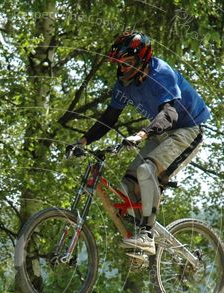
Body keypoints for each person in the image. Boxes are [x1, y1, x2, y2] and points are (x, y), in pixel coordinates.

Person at [67, 31, 211, 255]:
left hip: (187, 129)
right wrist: (82, 141)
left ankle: (147, 234)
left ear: (142, 59)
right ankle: (142, 245)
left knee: (146, 170)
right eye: (118, 63)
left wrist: (142, 134)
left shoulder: (160, 74)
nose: (122, 68)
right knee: (126, 189)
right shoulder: (124, 85)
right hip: (162, 132)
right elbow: (109, 118)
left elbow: (170, 113)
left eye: (128, 63)